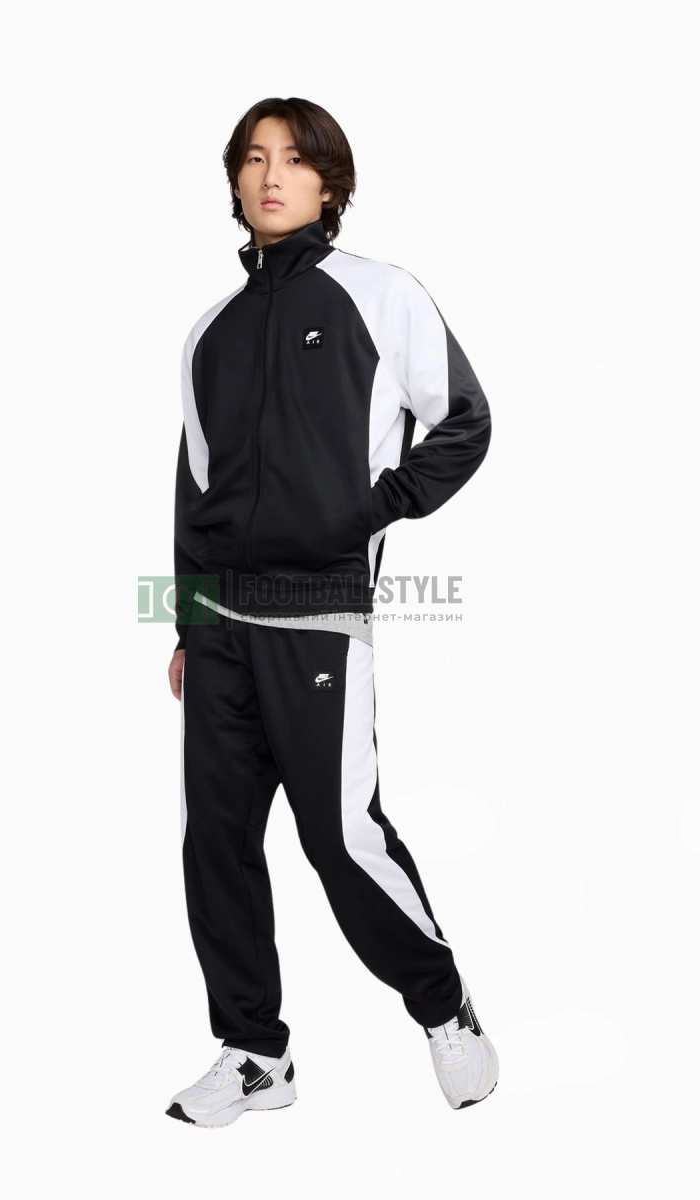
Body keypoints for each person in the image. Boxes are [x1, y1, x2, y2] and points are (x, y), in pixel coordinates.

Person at [165, 96, 498, 1128]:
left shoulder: (379, 295)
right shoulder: (210, 332)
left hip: (316, 616)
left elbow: (463, 420)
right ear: (234, 180)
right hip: (220, 627)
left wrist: (370, 508)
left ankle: (442, 1006)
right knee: (215, 844)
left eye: (294, 160)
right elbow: (195, 485)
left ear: (328, 183)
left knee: (340, 836)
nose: (271, 176)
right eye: (253, 158)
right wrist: (185, 625)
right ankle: (253, 1054)